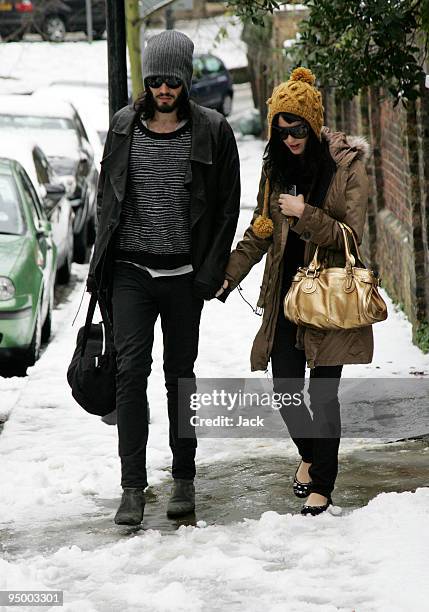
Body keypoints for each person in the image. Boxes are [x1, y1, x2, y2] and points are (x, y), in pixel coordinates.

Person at [87, 30, 240, 525]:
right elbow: (106, 201)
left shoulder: (213, 130)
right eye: (155, 80)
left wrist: (210, 272)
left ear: (186, 80)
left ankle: (185, 479)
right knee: (131, 373)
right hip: (131, 269)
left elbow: (224, 209)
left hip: (182, 276)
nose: (163, 89)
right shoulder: (122, 127)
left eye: (172, 80)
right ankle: (132, 487)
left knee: (181, 378)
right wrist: (100, 270)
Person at [218, 67, 372, 516]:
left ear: (314, 122)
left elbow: (352, 236)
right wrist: (228, 274)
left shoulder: (346, 166)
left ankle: (323, 483)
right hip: (286, 295)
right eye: (281, 129)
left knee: (323, 395)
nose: (290, 138)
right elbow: (261, 231)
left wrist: (306, 214)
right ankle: (312, 454)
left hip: (330, 296)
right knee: (285, 389)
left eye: (298, 128)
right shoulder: (276, 168)